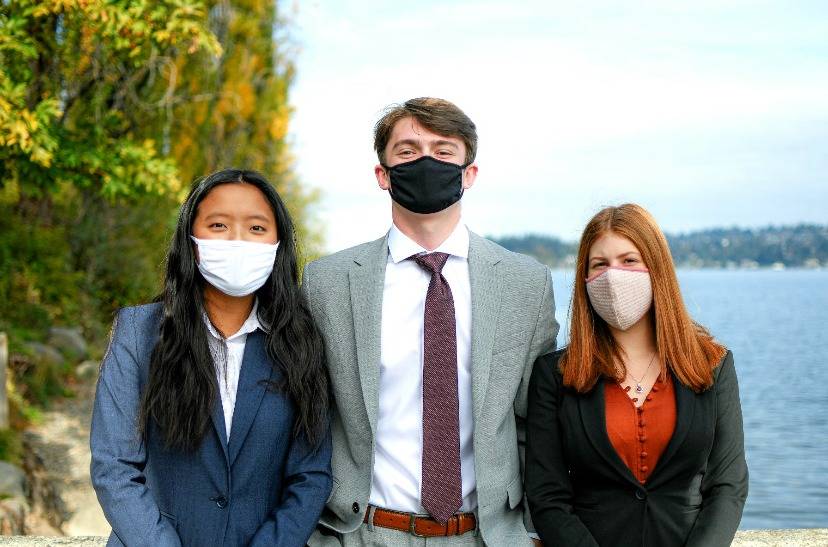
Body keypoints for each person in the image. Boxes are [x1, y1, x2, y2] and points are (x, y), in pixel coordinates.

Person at [303, 98, 558, 546]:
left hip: (486, 536)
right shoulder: (326, 283)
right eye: (407, 150)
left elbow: (535, 423)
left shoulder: (525, 284)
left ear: (469, 173)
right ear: (382, 174)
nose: (425, 161)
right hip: (363, 533)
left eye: (443, 151)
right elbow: (307, 418)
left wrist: (533, 530)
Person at [90, 168, 332, 546]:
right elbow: (115, 467)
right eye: (218, 225)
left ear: (278, 242)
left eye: (256, 228)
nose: (238, 240)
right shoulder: (138, 333)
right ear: (191, 240)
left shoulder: (300, 343)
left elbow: (311, 475)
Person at [525, 203, 748, 546]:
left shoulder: (713, 365)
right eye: (599, 264)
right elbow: (547, 495)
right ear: (584, 280)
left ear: (656, 267)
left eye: (629, 260)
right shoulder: (555, 375)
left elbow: (728, 485)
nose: (613, 276)